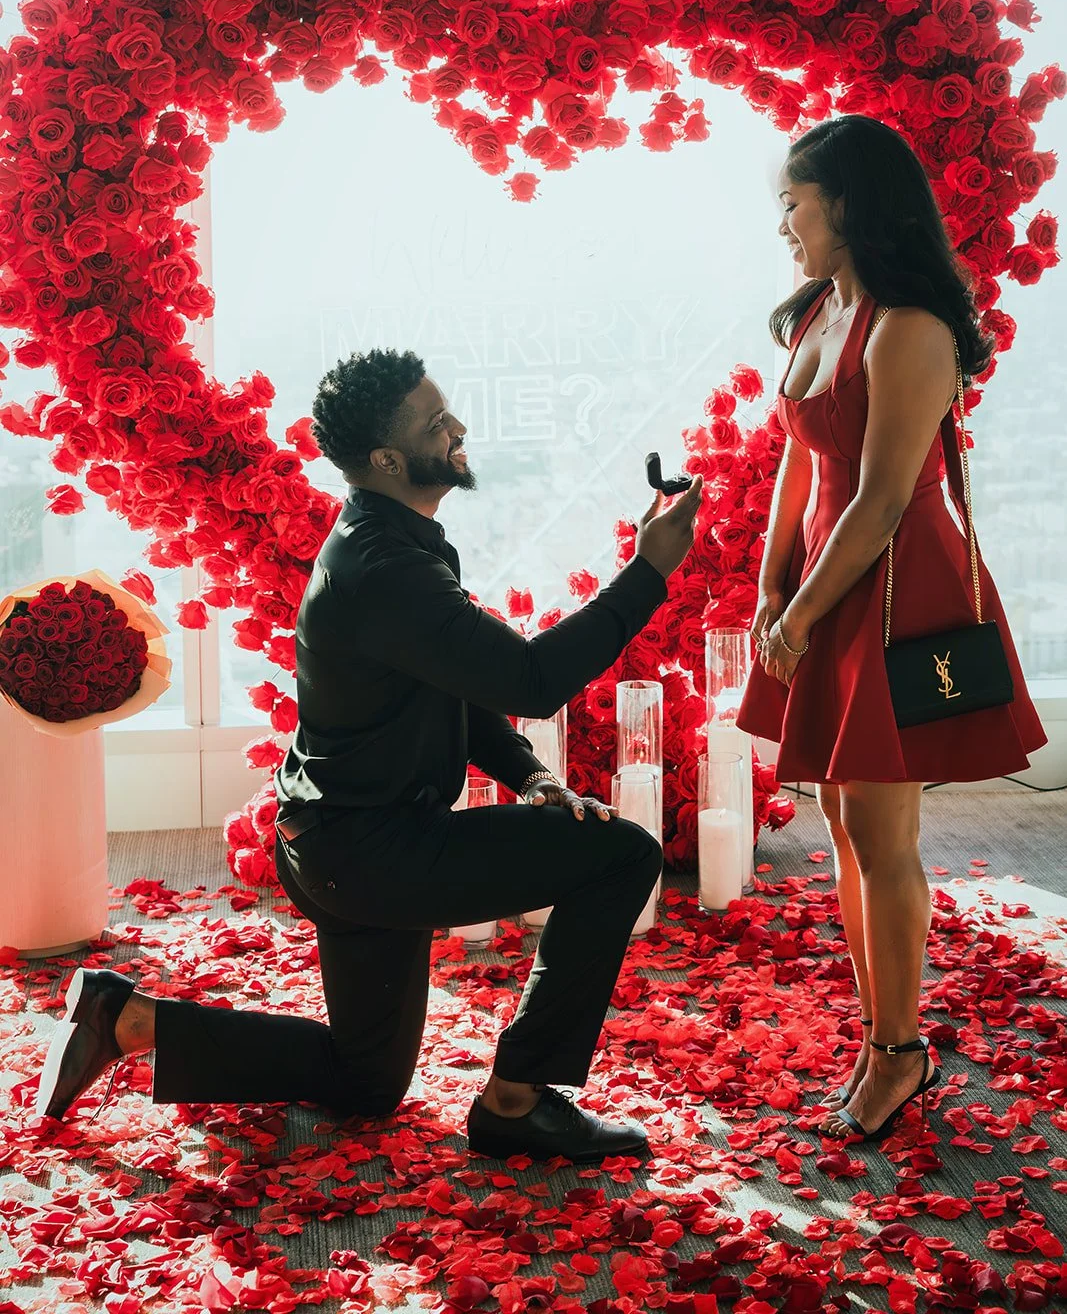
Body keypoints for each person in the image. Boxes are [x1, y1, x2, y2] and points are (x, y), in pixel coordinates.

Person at [37, 349, 703, 1162]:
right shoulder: (385, 568)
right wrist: (648, 573)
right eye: (436, 423)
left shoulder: (400, 545)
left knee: (365, 1080)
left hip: (336, 845)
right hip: (373, 854)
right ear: (388, 459)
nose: (457, 428)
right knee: (620, 856)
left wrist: (532, 778)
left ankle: (128, 1019)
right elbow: (531, 680)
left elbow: (462, 692)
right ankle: (517, 1101)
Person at [736, 115, 1045, 1145]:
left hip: (883, 587)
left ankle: (899, 1049)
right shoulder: (819, 313)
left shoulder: (908, 328)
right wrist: (765, 584)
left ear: (847, 203)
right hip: (824, 580)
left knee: (879, 832)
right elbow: (796, 461)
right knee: (840, 823)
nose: (781, 222)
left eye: (792, 200)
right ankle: (879, 1031)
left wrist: (800, 610)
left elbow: (875, 504)